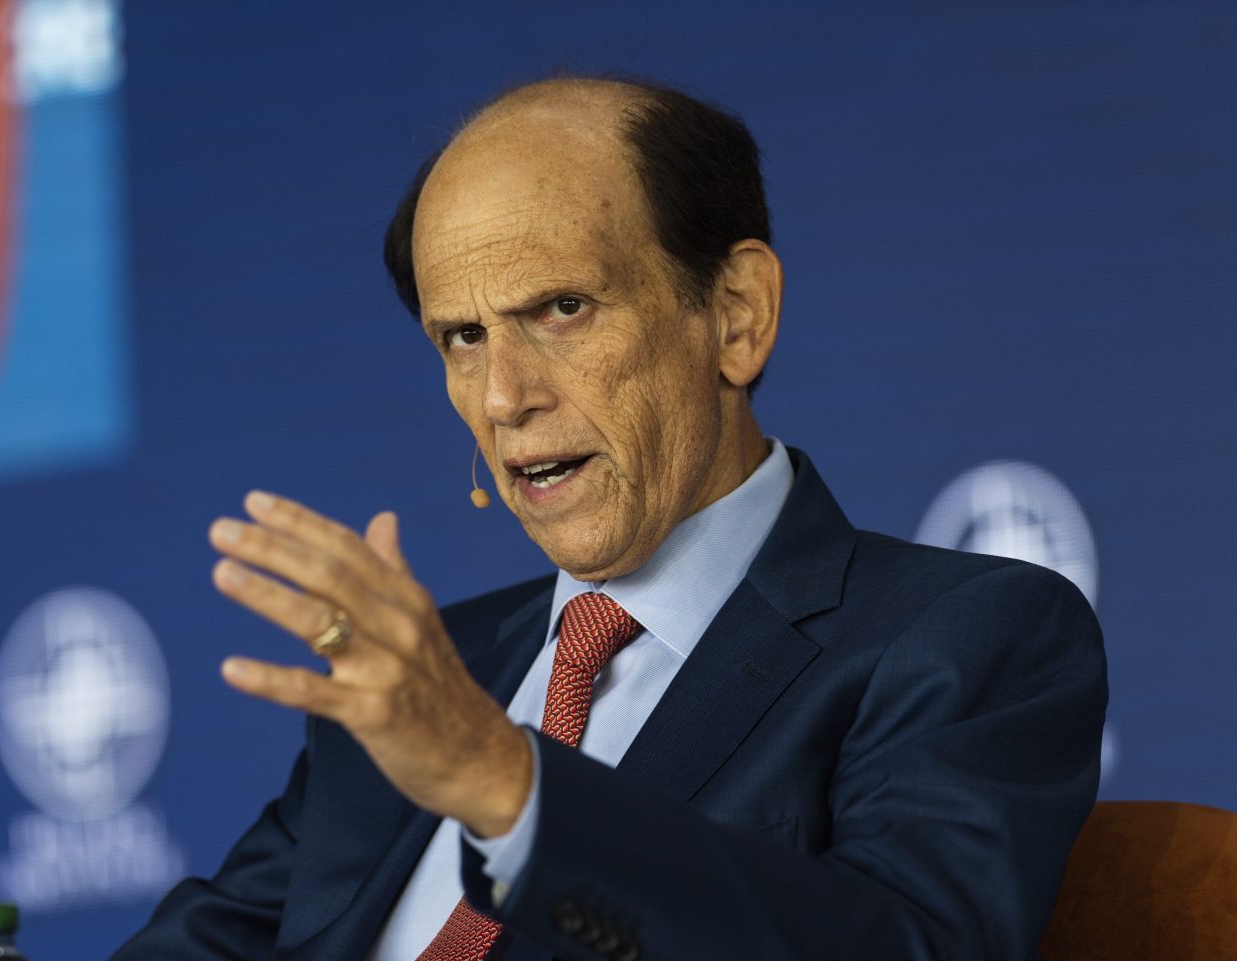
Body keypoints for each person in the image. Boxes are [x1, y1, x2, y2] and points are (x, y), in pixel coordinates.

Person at [112, 77, 1107, 961]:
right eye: (462, 336)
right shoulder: (430, 673)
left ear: (737, 313)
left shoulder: (963, 637)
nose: (504, 395)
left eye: (561, 310)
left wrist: (504, 783)